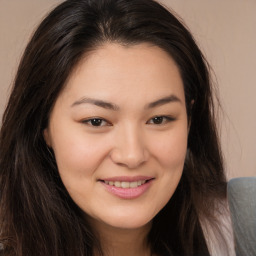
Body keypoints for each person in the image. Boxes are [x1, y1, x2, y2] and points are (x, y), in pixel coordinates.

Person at [0, 0, 235, 255]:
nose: (132, 155)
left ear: (190, 120)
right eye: (96, 121)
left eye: (158, 119)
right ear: (43, 126)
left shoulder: (241, 224)